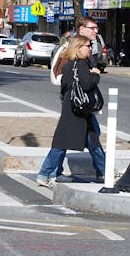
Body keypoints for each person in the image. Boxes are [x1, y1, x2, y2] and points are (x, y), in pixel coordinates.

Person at [37, 35, 106, 188]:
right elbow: (87, 85)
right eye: (87, 46)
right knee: (62, 142)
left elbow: (65, 85)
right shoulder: (80, 64)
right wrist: (95, 74)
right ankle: (45, 174)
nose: (90, 48)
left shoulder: (69, 65)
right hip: (77, 111)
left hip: (74, 107)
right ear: (78, 47)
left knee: (92, 140)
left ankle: (104, 172)